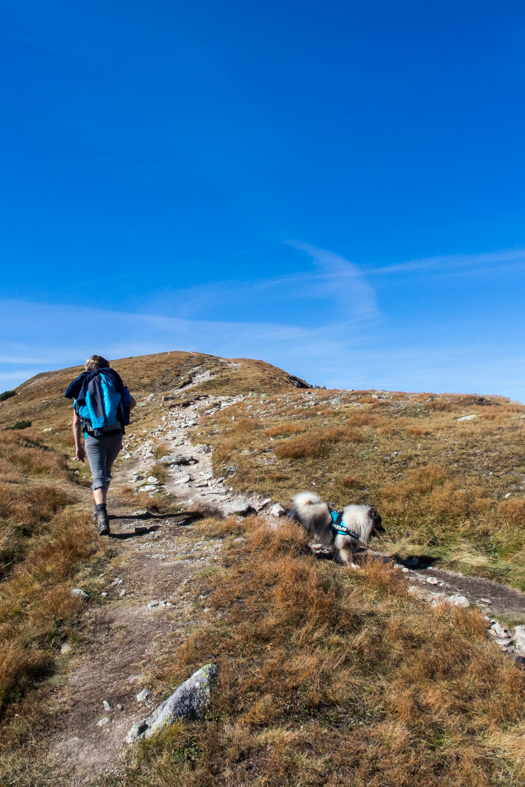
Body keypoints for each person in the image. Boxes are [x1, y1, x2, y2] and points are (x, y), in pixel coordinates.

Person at [64, 355, 136, 535]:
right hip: (115, 434)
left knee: (98, 476)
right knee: (107, 473)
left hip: (93, 436)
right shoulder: (114, 384)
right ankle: (101, 507)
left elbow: (76, 421)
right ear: (106, 367)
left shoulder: (83, 386)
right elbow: (132, 402)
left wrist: (77, 446)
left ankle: (101, 516)